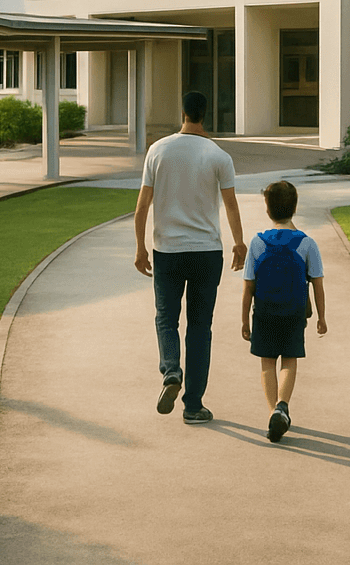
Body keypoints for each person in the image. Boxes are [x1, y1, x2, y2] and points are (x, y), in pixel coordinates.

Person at [133, 90, 245, 424]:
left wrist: (140, 247)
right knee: (200, 327)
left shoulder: (158, 150)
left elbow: (142, 207)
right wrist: (239, 243)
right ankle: (194, 405)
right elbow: (231, 204)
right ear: (205, 114)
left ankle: (171, 372)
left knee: (166, 318)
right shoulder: (219, 156)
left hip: (167, 250)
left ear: (182, 112)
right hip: (206, 252)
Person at [240, 179, 326, 443]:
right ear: (295, 208)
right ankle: (282, 406)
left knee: (267, 362)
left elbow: (248, 288)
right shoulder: (307, 243)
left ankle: (272, 414)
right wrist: (322, 317)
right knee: (289, 359)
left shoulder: (257, 243)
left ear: (268, 210)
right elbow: (318, 285)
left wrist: (244, 320)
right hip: (294, 313)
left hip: (264, 312)